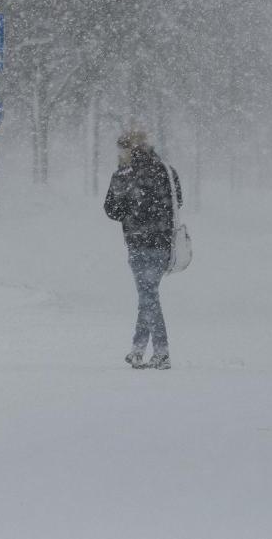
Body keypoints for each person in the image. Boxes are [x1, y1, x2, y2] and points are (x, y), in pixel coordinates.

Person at [104, 130, 181, 370]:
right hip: (163, 243)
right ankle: (138, 350)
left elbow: (111, 210)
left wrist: (131, 208)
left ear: (128, 149)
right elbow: (178, 201)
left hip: (138, 243)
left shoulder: (123, 175)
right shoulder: (167, 171)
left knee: (148, 296)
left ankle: (161, 351)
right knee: (148, 296)